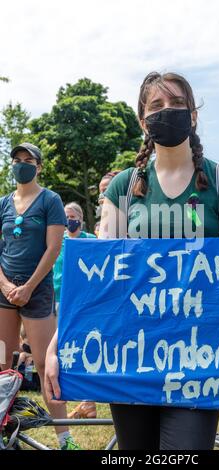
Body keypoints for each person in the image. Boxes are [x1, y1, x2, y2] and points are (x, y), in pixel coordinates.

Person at [45, 72, 219, 450]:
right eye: (157, 105)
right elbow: (100, 284)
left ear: (193, 115)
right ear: (143, 120)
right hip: (129, 354)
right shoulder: (122, 188)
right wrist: (57, 343)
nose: (168, 111)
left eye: (177, 103)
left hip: (201, 356)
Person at [0, 142, 79, 450]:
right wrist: (5, 286)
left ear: (39, 166)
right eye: (17, 160)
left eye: (28, 160)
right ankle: (6, 432)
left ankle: (65, 439)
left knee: (47, 366)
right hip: (5, 292)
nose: (21, 164)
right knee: (4, 363)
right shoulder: (4, 202)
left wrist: (29, 286)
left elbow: (53, 248)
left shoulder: (50, 200)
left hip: (38, 292)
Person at [53, 201, 97, 420]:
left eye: (71, 216)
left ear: (80, 218)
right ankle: (78, 401)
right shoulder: (56, 242)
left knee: (82, 348)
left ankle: (87, 402)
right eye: (64, 217)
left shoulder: (91, 241)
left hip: (83, 302)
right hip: (58, 299)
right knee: (60, 351)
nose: (68, 220)